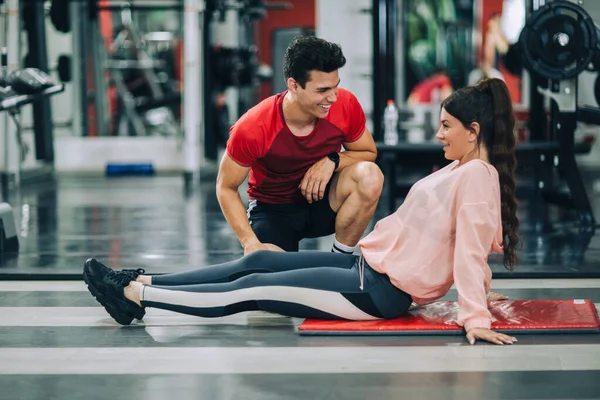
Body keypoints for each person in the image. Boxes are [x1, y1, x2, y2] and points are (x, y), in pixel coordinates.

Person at [83, 78, 520, 346]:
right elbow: (469, 242)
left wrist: (475, 313)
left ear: (473, 131)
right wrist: (482, 289)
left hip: (377, 293)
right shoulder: (464, 170)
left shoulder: (477, 176)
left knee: (253, 288)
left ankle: (136, 299)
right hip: (366, 267)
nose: (439, 134)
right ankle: (139, 280)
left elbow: (470, 245)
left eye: (446, 126)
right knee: (259, 260)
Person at [216, 35, 383, 255]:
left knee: (370, 175)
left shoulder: (345, 104)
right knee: (269, 273)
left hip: (325, 200)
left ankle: (339, 262)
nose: (333, 98)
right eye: (322, 90)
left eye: (336, 87)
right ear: (294, 85)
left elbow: (368, 153)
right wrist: (250, 242)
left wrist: (333, 160)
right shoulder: (253, 127)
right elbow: (225, 187)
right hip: (274, 212)